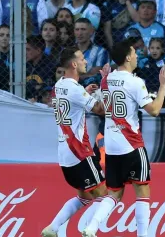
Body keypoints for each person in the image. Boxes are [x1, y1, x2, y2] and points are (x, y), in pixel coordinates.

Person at [82, 40, 165, 237]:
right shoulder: (135, 82)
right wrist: (163, 86)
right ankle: (143, 235)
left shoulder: (106, 80)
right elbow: (154, 110)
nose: (138, 55)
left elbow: (104, 105)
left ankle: (91, 227)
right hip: (131, 144)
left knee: (114, 193)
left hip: (111, 146)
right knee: (142, 189)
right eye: (135, 52)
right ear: (128, 57)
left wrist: (105, 79)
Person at [41, 47, 109, 237]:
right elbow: (100, 110)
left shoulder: (59, 85)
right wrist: (106, 87)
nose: (85, 61)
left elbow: (72, 102)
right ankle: (90, 230)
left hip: (65, 156)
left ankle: (52, 229)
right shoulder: (74, 89)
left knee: (85, 197)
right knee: (109, 195)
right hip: (80, 154)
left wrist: (85, 92)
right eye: (81, 59)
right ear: (73, 64)